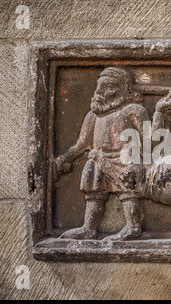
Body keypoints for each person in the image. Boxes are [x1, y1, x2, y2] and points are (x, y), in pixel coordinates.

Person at [54, 67, 149, 241]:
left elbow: (148, 140)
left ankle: (133, 227)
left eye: (108, 86)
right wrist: (65, 157)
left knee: (128, 192)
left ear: (123, 90)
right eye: (99, 87)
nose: (100, 91)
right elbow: (82, 143)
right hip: (99, 159)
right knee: (94, 194)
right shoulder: (93, 116)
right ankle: (89, 228)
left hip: (125, 160)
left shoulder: (133, 111)